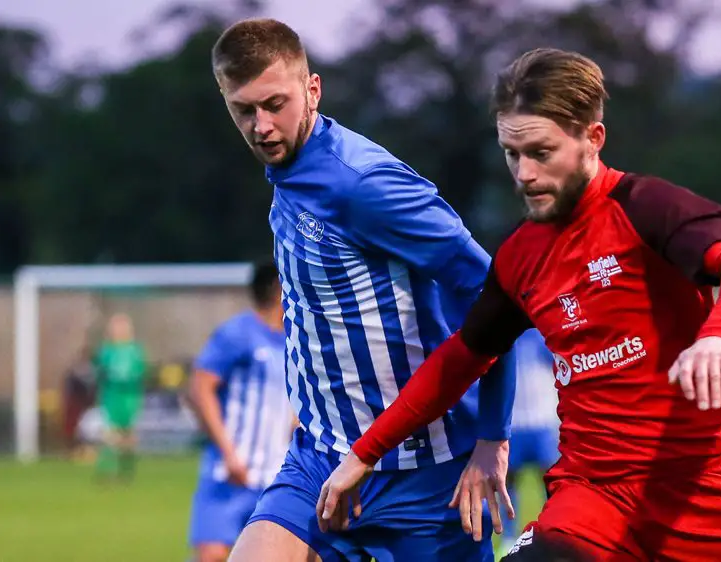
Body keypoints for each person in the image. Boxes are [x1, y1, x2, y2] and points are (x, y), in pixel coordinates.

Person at [322, 48, 721, 561]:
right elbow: (462, 358)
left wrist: (717, 336)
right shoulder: (521, 255)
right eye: (511, 154)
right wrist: (364, 454)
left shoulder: (646, 208)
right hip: (593, 502)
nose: (523, 173)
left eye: (541, 153)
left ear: (593, 138)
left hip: (706, 492)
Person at [211, 18, 516, 562]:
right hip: (320, 458)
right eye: (243, 110)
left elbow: (496, 298)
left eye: (275, 104)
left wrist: (493, 437)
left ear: (313, 89)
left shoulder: (365, 184)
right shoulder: (286, 170)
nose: (261, 125)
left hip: (424, 474)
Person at [186, 263, 295, 562]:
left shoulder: (295, 339)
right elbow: (199, 388)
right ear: (277, 287)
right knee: (212, 555)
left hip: (276, 476)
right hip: (230, 472)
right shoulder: (237, 333)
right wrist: (228, 450)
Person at [499, 328, 559, 553]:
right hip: (513, 425)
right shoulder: (504, 335)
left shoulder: (541, 335)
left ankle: (553, 534)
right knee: (507, 483)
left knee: (553, 483)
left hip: (543, 422)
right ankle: (508, 539)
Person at [93, 313, 148, 482]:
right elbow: (99, 373)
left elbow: (141, 373)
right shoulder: (106, 351)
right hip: (111, 397)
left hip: (130, 398)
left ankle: (126, 471)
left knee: (128, 436)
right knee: (110, 435)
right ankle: (107, 471)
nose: (119, 330)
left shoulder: (135, 351)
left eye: (122, 326)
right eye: (115, 327)